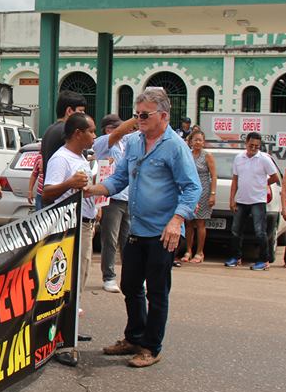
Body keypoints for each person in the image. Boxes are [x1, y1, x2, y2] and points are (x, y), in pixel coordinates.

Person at [85, 88, 200, 368]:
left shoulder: (175, 146)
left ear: (164, 115)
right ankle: (135, 337)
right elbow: (120, 178)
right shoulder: (135, 142)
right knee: (130, 284)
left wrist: (177, 220)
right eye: (137, 115)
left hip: (163, 232)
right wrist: (92, 189)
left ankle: (151, 347)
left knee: (157, 291)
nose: (139, 120)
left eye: (145, 115)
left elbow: (191, 188)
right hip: (137, 229)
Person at [42, 112, 97, 366]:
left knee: (79, 279)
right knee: (66, 283)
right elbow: (47, 193)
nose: (94, 136)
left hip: (86, 224)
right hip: (69, 227)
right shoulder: (61, 158)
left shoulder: (81, 157)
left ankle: (71, 327)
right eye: (91, 131)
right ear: (78, 133)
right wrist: (70, 183)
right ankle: (62, 339)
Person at [93, 113, 136, 292]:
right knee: (110, 239)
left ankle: (131, 276)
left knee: (128, 240)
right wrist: (138, 116)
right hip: (112, 198)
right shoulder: (104, 142)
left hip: (128, 198)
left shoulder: (124, 144)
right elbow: (119, 133)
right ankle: (109, 276)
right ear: (109, 129)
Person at [225, 132, 279, 271]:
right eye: (251, 145)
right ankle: (236, 257)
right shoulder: (239, 158)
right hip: (241, 200)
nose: (253, 148)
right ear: (246, 143)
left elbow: (275, 177)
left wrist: (263, 183)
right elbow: (235, 180)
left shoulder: (264, 159)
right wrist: (232, 199)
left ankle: (263, 260)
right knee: (236, 230)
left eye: (256, 146)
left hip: (258, 200)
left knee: (260, 231)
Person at [178, 127, 217, 265]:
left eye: (200, 140)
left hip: (204, 192)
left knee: (200, 222)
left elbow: (213, 176)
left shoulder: (207, 156)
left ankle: (199, 252)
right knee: (188, 222)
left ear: (204, 142)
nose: (198, 143)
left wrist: (212, 194)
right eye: (195, 140)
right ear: (191, 141)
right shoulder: (187, 154)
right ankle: (188, 250)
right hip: (189, 192)